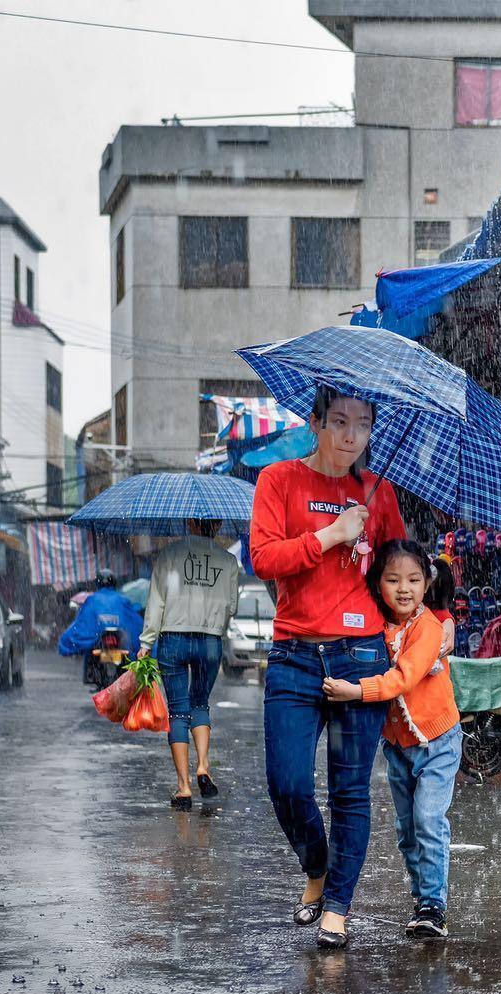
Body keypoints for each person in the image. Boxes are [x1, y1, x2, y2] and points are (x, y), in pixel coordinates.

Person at [249, 386, 406, 950]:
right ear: (315, 422)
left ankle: (337, 906)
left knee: (350, 791)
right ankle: (316, 866)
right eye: (339, 421)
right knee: (287, 784)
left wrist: (434, 610)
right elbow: (263, 558)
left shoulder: (377, 493)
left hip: (361, 653)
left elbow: (398, 571)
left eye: (362, 425)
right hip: (295, 654)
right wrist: (330, 536)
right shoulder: (279, 481)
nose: (350, 436)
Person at [323, 540, 462, 939]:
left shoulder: (429, 627)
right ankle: (423, 900)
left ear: (426, 584)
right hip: (399, 746)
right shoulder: (375, 626)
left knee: (428, 820)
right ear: (377, 583)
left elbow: (403, 678)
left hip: (438, 742)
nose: (404, 588)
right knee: (406, 830)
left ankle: (434, 906)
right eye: (393, 579)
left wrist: (355, 690)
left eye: (414, 580)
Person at [138, 519, 242, 811]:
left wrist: (146, 643)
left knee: (178, 711)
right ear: (218, 524)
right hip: (210, 640)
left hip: (173, 638)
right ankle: (204, 766)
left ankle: (183, 787)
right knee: (200, 704)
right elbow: (231, 606)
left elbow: (156, 601)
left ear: (188, 523)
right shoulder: (228, 560)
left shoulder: (170, 555)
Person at [58, 569, 142, 682]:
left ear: (98, 583)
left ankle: (89, 676)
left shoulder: (92, 599)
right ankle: (130, 676)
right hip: (118, 640)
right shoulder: (122, 599)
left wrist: (66, 642)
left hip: (100, 639)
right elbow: (134, 621)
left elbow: (82, 622)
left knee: (90, 648)